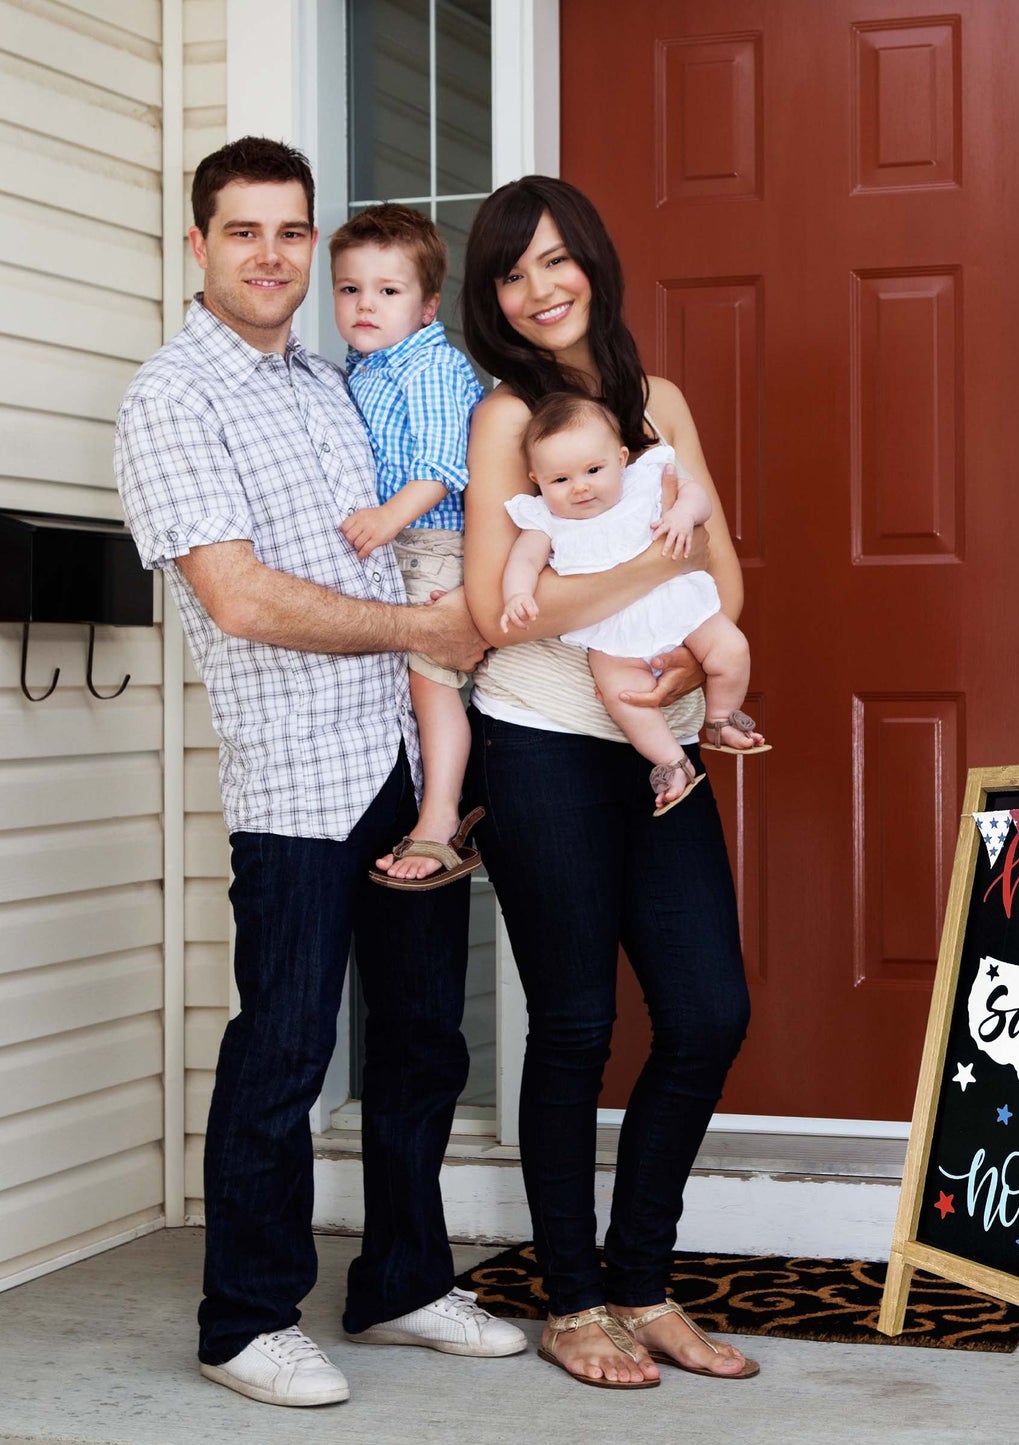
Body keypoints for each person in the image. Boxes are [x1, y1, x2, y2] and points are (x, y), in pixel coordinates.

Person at [114, 136, 525, 1410]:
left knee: (417, 1042)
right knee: (285, 1047)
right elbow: (235, 597)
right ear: (198, 245)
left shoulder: (333, 380)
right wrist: (424, 629)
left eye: (292, 231)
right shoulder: (172, 398)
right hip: (294, 778)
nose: (273, 255)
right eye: (244, 231)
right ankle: (244, 1317)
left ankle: (402, 1280)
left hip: (404, 766)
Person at [459, 174, 758, 1388]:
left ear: (592, 259)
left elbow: (725, 582)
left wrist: (681, 649)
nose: (537, 289)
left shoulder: (660, 403)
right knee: (576, 1022)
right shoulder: (504, 420)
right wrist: (644, 573)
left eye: (553, 260)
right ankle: (573, 1299)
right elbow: (494, 611)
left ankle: (643, 1279)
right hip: (537, 744)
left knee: (705, 1012)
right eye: (510, 273)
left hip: (662, 744)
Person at [502, 392, 768, 812]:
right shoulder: (544, 519)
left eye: (593, 469)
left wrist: (683, 515)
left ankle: (719, 720)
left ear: (621, 458)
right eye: (560, 480)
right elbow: (524, 559)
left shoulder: (645, 482)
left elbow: (698, 498)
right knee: (623, 695)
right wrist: (517, 593)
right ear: (537, 479)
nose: (581, 486)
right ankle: (671, 760)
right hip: (611, 633)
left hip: (678, 610)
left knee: (732, 648)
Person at [329, 204, 485, 885]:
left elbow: (443, 463)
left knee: (431, 681)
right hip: (396, 543)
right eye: (350, 288)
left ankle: (443, 811)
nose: (366, 304)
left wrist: (387, 519)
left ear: (426, 308)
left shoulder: (429, 367)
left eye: (388, 292)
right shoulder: (362, 366)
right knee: (406, 679)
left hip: (428, 540)